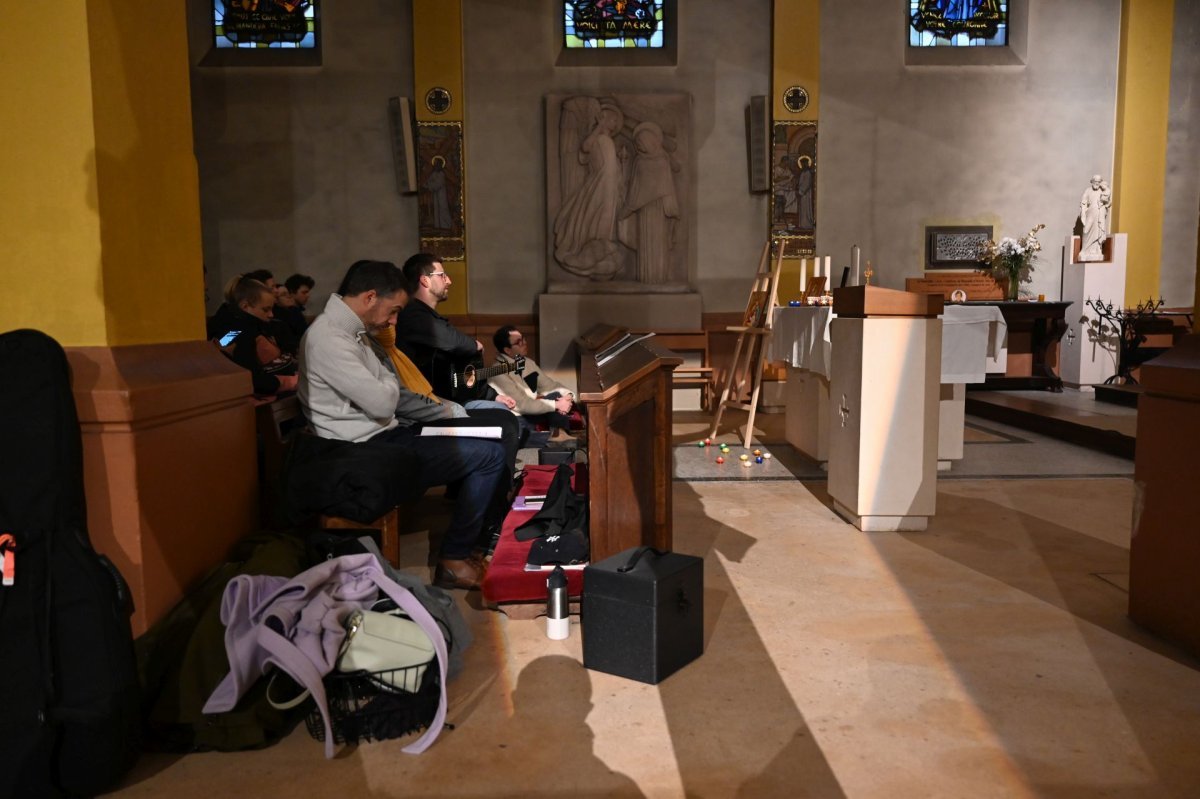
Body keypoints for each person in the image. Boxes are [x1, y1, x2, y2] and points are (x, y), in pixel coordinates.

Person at [298, 260, 508, 589]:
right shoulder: (329, 339)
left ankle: (475, 545)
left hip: (387, 437)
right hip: (361, 453)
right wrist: (386, 387)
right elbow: (385, 400)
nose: (393, 321)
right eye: (393, 311)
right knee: (488, 456)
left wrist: (385, 385)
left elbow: (388, 390)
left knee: (493, 437)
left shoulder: (354, 332)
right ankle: (454, 557)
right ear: (370, 297)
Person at [553, 98, 626, 280]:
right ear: (603, 117)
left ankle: (601, 242)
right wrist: (598, 127)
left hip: (610, 184)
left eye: (616, 121)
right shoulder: (597, 138)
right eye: (613, 118)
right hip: (598, 181)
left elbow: (614, 168)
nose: (615, 122)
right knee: (593, 210)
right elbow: (585, 147)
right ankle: (588, 244)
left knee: (607, 213)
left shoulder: (609, 142)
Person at [488, 325, 577, 443]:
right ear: (507, 350)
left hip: (530, 412)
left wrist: (568, 396)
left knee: (555, 394)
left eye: (524, 339)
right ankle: (552, 438)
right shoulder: (498, 371)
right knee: (514, 435)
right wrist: (556, 405)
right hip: (515, 417)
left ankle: (560, 433)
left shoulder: (526, 363)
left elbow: (549, 386)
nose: (525, 343)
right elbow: (522, 405)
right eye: (519, 342)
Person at [618, 121, 680, 285]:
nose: (640, 146)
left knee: (658, 244)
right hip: (644, 212)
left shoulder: (662, 161)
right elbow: (635, 188)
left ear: (651, 141)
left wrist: (629, 207)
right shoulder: (639, 161)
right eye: (638, 143)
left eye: (642, 142)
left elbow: (667, 187)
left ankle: (659, 277)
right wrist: (629, 206)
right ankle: (646, 277)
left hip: (659, 211)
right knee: (645, 244)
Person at [222, 277, 299, 397]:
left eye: (272, 309)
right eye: (266, 310)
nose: (271, 314)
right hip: (266, 396)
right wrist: (292, 382)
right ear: (245, 307)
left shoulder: (239, 329)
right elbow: (255, 380)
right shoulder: (240, 332)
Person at [1079, 174, 1111, 262]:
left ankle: (1097, 250)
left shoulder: (1103, 191)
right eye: (1095, 181)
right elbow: (1083, 201)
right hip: (1090, 214)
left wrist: (1106, 202)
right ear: (1092, 182)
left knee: (1098, 232)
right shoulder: (1088, 190)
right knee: (1086, 230)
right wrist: (1083, 211)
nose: (1097, 183)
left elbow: (1108, 203)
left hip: (1099, 214)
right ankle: (1084, 250)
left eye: (1099, 182)